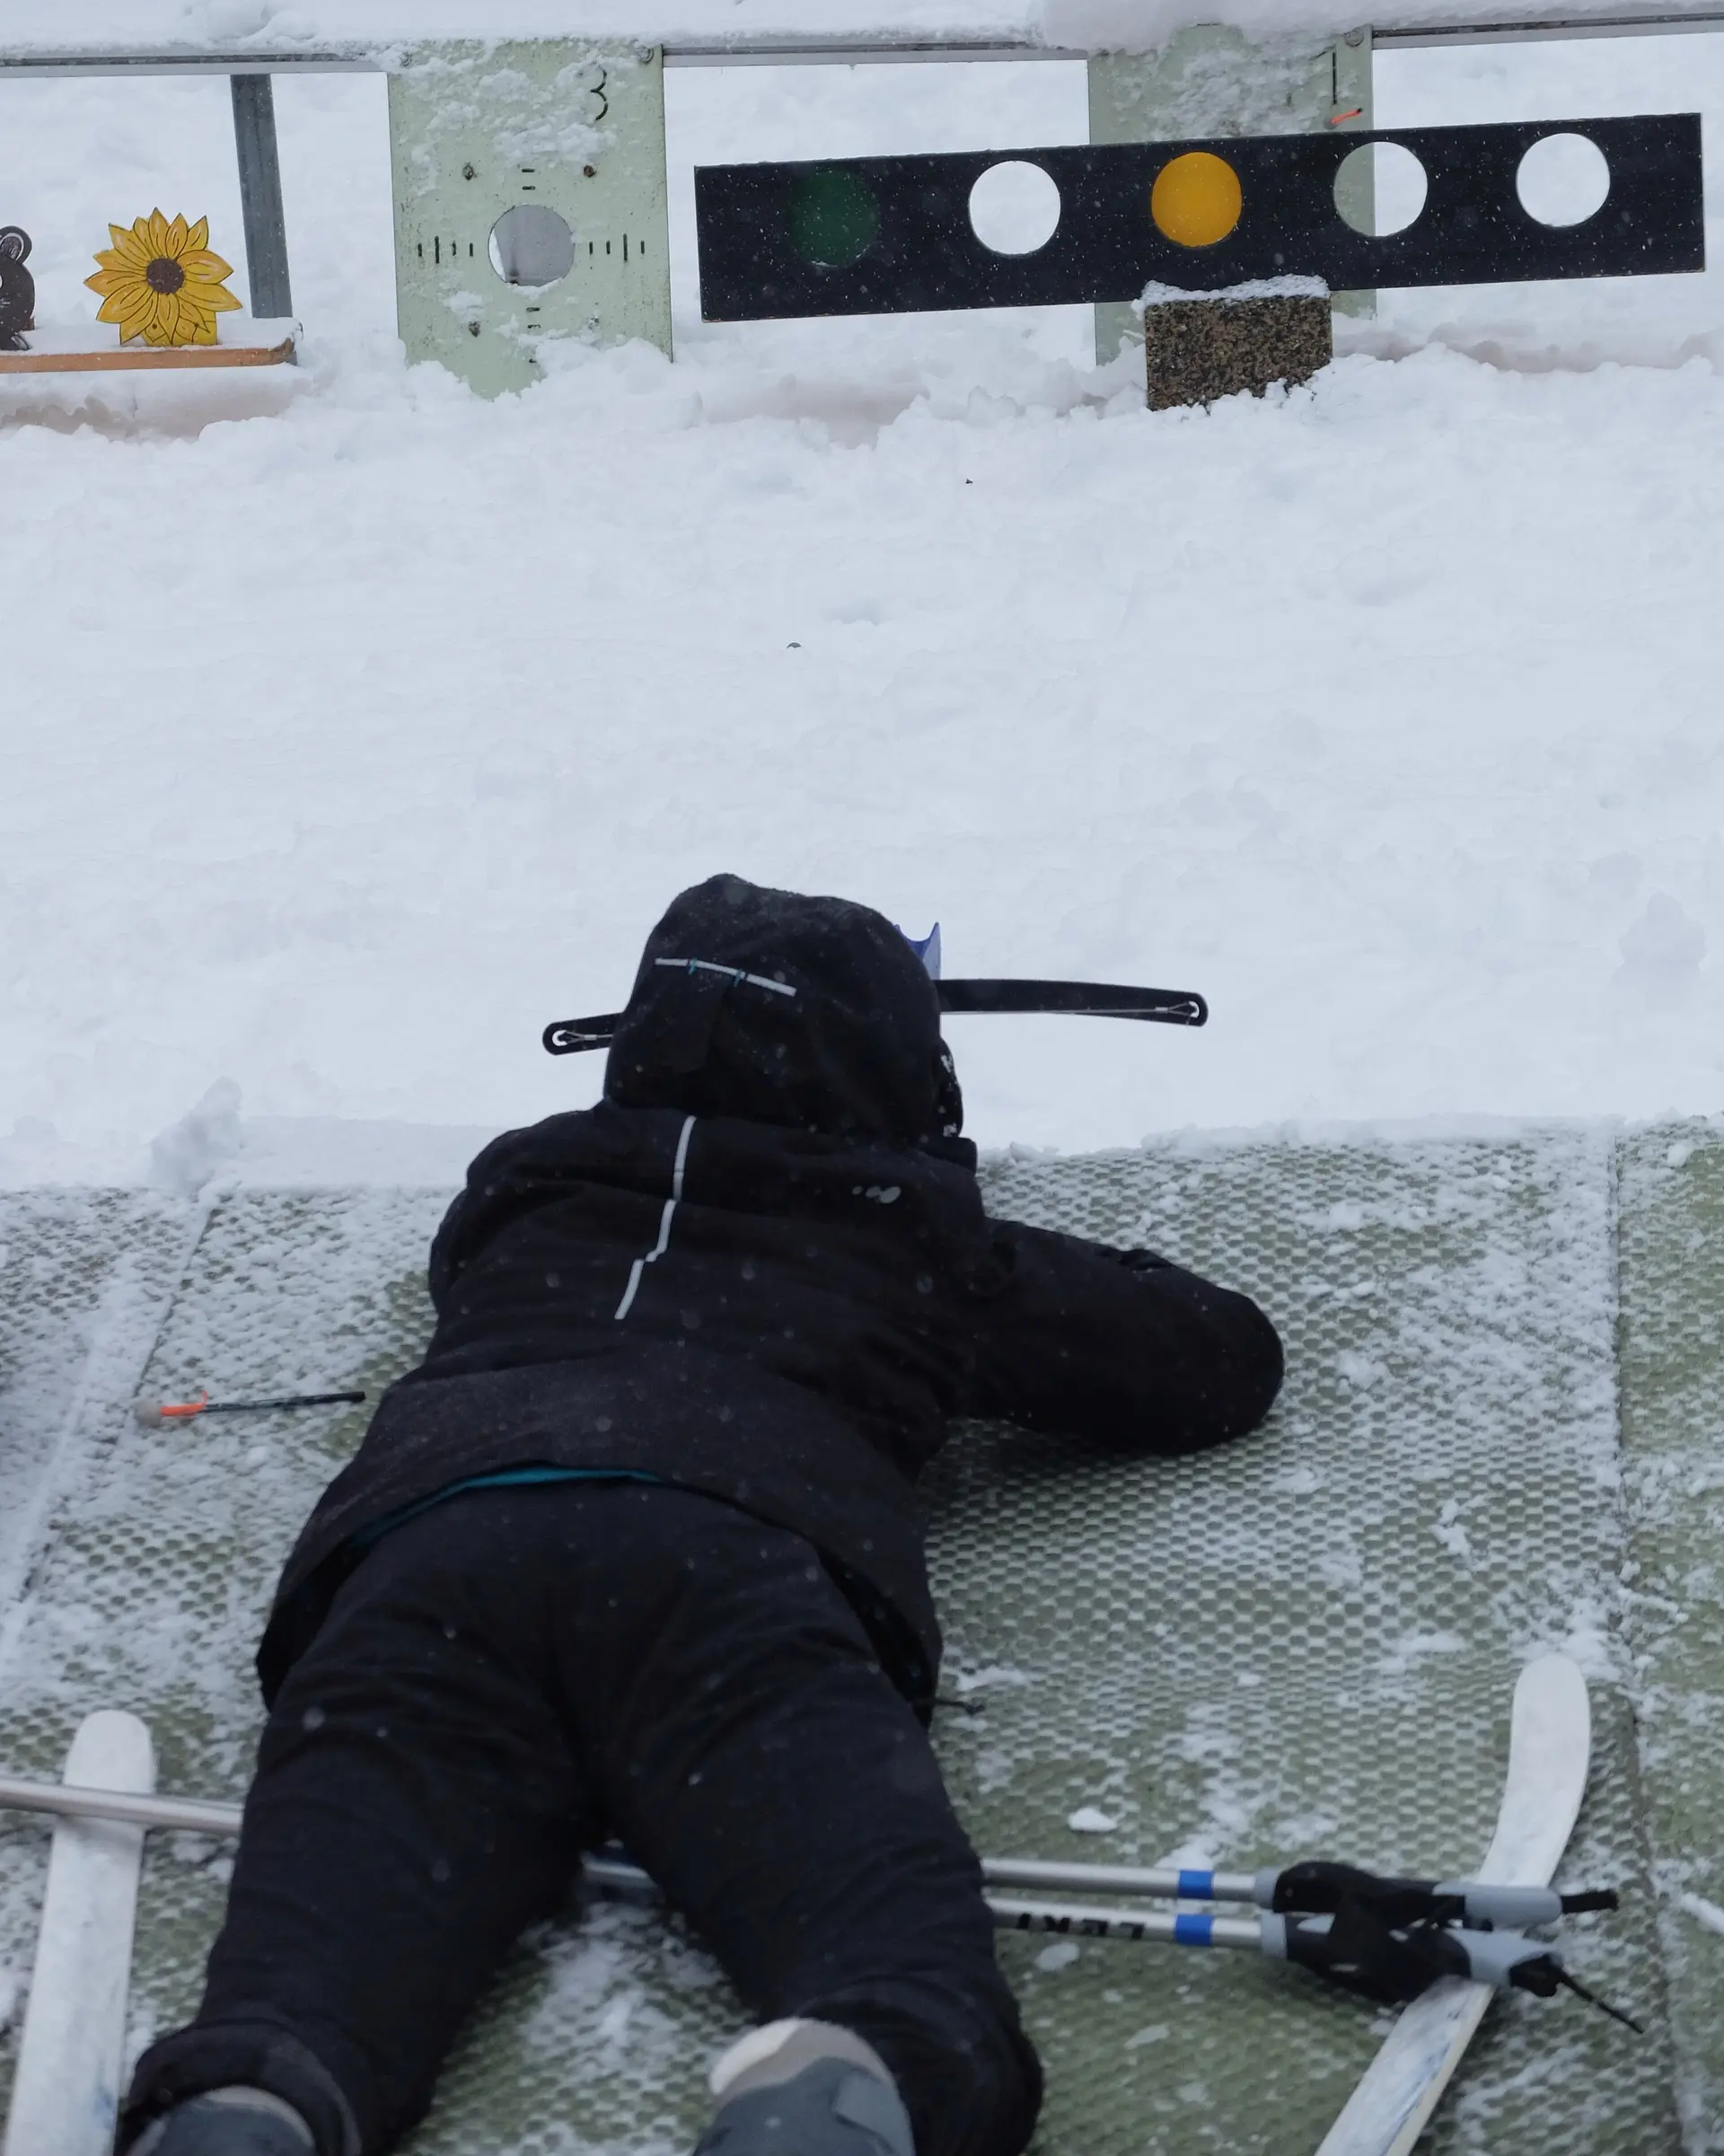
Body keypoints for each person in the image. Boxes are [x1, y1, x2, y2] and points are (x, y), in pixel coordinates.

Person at [120, 875, 1283, 2156]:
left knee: (307, 1990)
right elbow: (1215, 1363)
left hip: (433, 1560)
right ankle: (831, 2106)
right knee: (888, 1968)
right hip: (723, 1565)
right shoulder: (915, 1241)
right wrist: (952, 1211)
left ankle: (250, 2113)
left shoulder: (523, 1194)